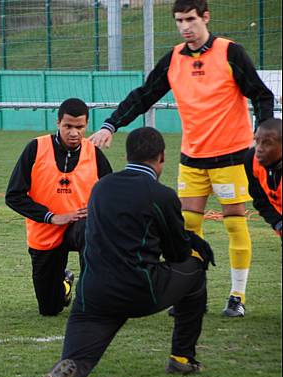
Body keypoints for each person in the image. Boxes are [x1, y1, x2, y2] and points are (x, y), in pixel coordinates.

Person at [88, 0, 274, 317]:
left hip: (231, 156)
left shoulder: (230, 52)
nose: (185, 26)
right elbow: (144, 94)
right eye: (179, 20)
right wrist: (111, 124)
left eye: (190, 19)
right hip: (192, 158)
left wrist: (264, 139)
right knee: (187, 226)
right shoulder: (174, 59)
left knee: (234, 222)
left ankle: (236, 296)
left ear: (205, 17)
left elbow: (261, 94)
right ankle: (190, 291)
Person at [36, 127, 215, 377]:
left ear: (127, 155)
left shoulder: (100, 188)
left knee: (80, 359)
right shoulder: (162, 195)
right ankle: (182, 358)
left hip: (93, 294)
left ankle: (65, 372)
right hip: (139, 289)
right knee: (195, 269)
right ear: (161, 158)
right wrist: (191, 241)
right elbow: (177, 254)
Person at [5, 98, 113, 316]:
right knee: (49, 309)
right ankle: (64, 283)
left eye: (80, 127)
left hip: (78, 228)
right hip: (45, 232)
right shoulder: (35, 148)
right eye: (68, 127)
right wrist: (51, 217)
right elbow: (13, 196)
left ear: (86, 125)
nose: (74, 133)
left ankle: (90, 299)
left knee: (89, 230)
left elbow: (111, 194)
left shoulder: (93, 153)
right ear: (58, 123)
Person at [244, 118, 282, 238]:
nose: (259, 148)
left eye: (267, 143)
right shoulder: (251, 159)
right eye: (257, 141)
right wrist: (278, 222)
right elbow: (259, 199)